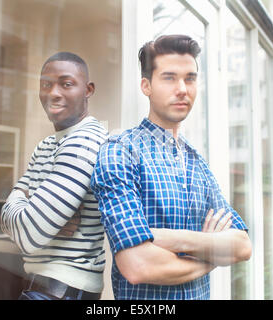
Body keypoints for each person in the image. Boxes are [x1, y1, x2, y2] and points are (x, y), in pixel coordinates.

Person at [90, 35, 252, 300]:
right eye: (169, 77)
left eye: (190, 78)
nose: (182, 89)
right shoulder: (121, 151)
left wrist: (170, 239)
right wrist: (212, 256)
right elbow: (138, 265)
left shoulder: (197, 163)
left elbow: (243, 246)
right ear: (146, 86)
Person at [0, 52, 108, 300]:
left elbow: (29, 234)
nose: (53, 93)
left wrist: (22, 201)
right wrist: (25, 207)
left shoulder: (84, 141)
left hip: (64, 290)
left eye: (66, 84)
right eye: (46, 84)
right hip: (40, 286)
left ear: (88, 90)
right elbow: (17, 222)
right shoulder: (47, 145)